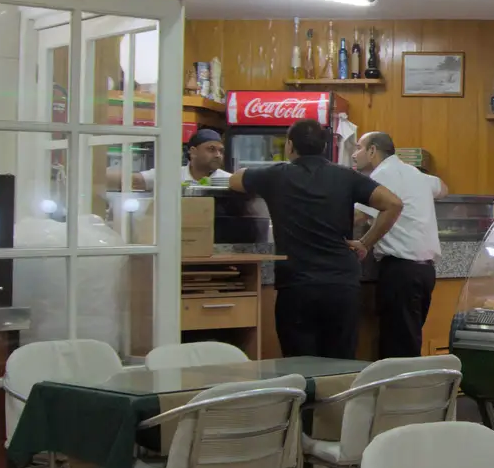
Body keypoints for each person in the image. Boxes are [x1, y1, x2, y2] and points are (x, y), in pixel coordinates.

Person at [229, 119, 403, 358]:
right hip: (341, 285)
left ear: (290, 146)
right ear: (324, 147)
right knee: (339, 366)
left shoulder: (275, 175)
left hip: (297, 286)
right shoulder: (346, 176)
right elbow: (393, 203)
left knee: (301, 365)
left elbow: (234, 180)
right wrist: (365, 243)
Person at [353, 132, 440, 358]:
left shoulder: (382, 174)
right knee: (408, 339)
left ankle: (400, 392)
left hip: (401, 270)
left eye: (358, 148)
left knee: (398, 346)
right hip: (425, 271)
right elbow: (442, 187)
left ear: (372, 150)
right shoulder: (412, 172)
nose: (353, 155)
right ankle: (406, 391)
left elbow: (359, 216)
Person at [121, 128, 230, 188]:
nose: (218, 155)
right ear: (193, 152)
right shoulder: (171, 176)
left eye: (221, 151)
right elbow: (136, 180)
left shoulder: (229, 181)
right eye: (211, 149)